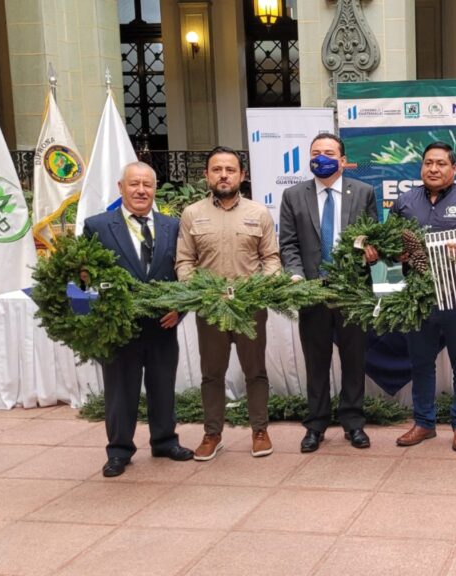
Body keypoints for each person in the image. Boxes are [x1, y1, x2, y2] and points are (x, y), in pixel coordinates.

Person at [82, 162, 193, 477]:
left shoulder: (172, 226)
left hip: (162, 325)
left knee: (163, 387)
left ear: (155, 189)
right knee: (120, 391)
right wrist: (93, 320)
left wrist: (180, 308)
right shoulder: (98, 226)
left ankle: (164, 441)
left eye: (147, 184)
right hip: (119, 330)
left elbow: (185, 271)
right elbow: (83, 277)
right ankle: (119, 450)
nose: (141, 190)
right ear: (121, 187)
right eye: (134, 184)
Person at [390, 141, 456, 451]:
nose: (433, 169)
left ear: (453, 169)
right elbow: (388, 244)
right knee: (421, 362)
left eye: (440, 163)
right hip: (417, 298)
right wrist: (395, 254)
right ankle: (424, 423)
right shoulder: (405, 202)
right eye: (428, 163)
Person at [175, 146, 282, 460]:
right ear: (207, 175)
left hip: (249, 308)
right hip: (210, 310)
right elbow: (185, 262)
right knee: (212, 374)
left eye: (230, 170)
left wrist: (265, 286)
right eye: (217, 169)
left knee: (255, 372)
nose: (224, 175)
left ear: (242, 176)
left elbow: (271, 259)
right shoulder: (192, 214)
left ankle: (260, 430)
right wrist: (198, 291)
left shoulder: (258, 213)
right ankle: (212, 434)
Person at [279, 132, 378, 452]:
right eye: (316, 152)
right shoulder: (294, 195)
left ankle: (353, 422)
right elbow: (289, 244)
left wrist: (370, 250)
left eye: (329, 152)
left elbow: (371, 234)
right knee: (316, 361)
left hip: (351, 290)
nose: (321, 157)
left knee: (354, 361)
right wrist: (296, 276)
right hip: (312, 292)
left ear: (343, 160)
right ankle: (316, 424)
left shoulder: (363, 192)